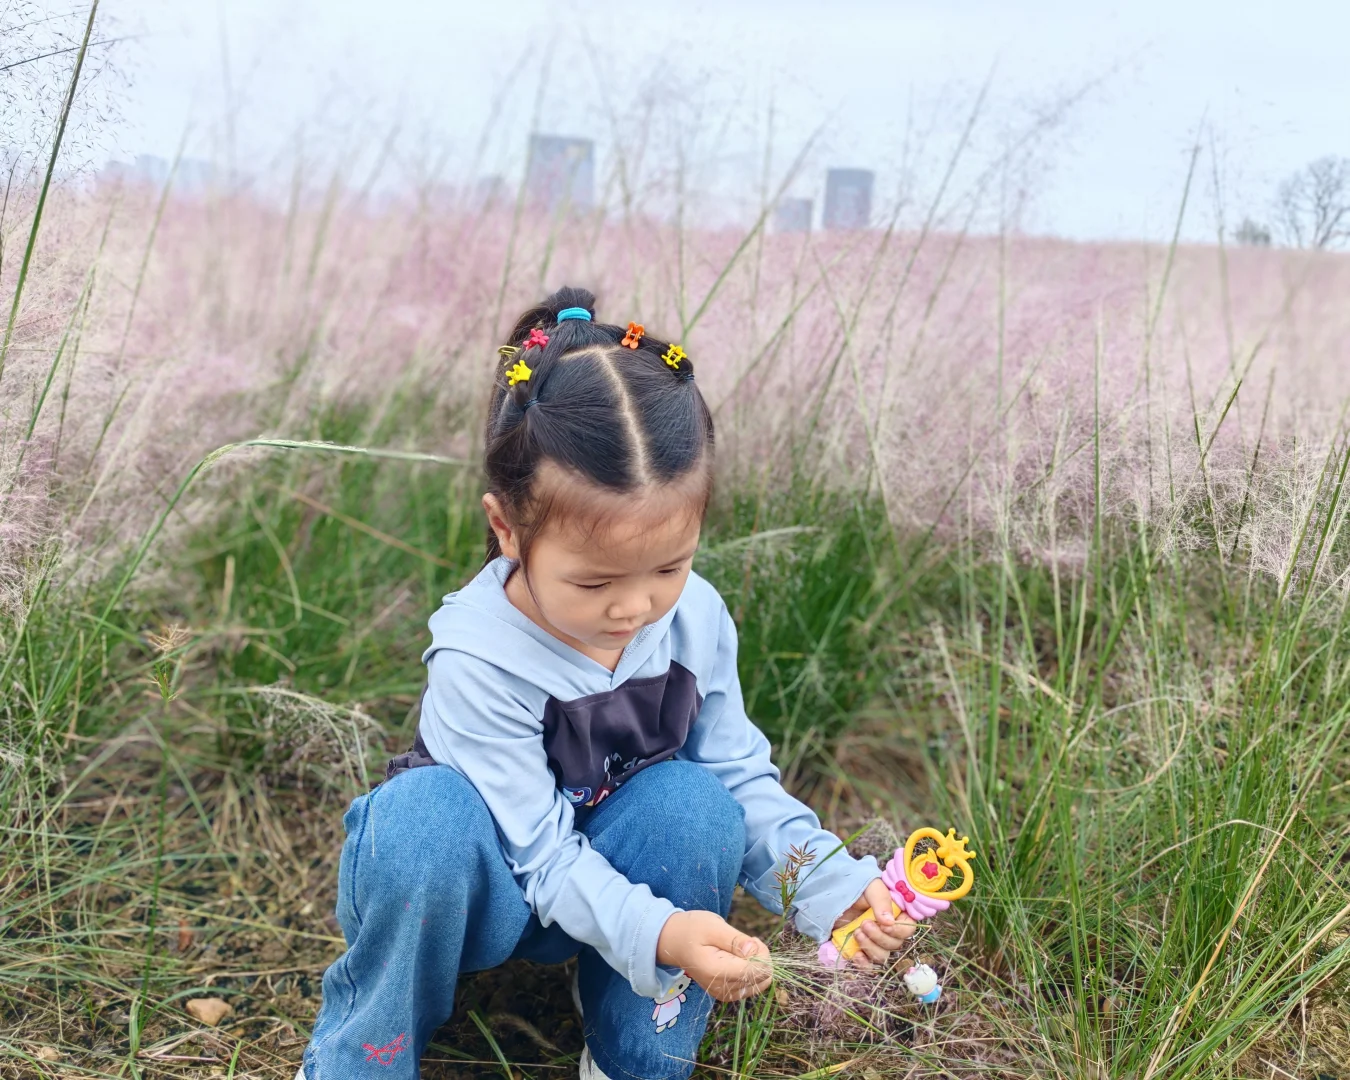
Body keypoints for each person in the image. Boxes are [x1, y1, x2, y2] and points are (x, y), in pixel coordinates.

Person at [298, 287, 915, 1080]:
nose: (634, 607)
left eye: (668, 565)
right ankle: (365, 1055)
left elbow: (738, 773)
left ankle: (636, 1052)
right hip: (482, 896)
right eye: (593, 583)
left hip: (612, 892)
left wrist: (835, 889)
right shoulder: (479, 658)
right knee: (421, 821)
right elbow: (541, 855)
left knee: (697, 805)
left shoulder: (691, 617)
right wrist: (664, 935)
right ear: (507, 529)